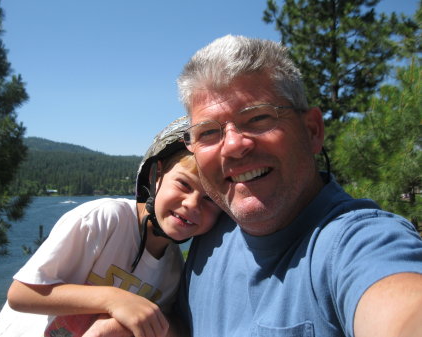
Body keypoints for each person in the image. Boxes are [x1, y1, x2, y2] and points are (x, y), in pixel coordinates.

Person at [175, 35, 422, 337]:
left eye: (258, 118)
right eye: (209, 132)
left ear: (312, 131)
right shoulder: (209, 235)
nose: (233, 146)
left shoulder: (357, 243)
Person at [0, 116, 221, 337]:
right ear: (155, 175)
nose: (192, 204)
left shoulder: (172, 270)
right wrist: (113, 299)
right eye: (183, 184)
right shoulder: (105, 219)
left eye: (210, 198)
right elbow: (20, 294)